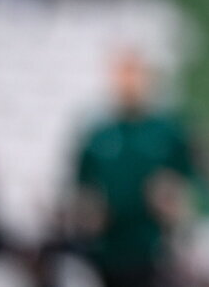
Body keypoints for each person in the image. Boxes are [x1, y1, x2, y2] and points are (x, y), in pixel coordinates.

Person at [71, 48, 198, 287]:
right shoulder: (98, 135)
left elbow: (191, 186)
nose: (130, 82)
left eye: (136, 73)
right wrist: (88, 213)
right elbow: (82, 191)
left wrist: (174, 203)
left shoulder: (169, 131)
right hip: (107, 250)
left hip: (156, 251)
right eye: (124, 74)